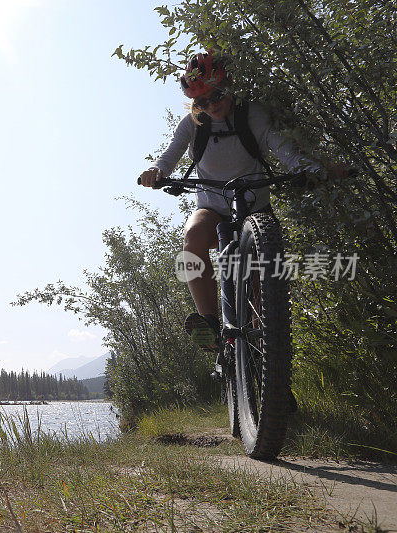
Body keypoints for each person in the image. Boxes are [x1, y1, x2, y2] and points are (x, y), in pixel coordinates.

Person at [139, 51, 346, 350]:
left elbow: (282, 148)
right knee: (193, 238)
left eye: (218, 95)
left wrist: (309, 170)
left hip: (255, 208)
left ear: (230, 86)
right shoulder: (192, 124)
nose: (212, 105)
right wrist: (157, 171)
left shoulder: (253, 114)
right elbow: (170, 155)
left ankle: (268, 356)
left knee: (265, 292)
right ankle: (209, 322)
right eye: (203, 102)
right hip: (212, 208)